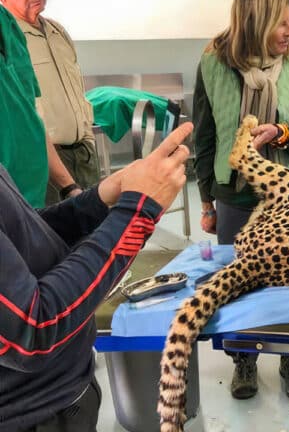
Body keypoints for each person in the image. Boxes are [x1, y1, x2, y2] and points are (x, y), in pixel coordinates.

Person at [0, 108, 193, 432]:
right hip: (35, 414)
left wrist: (99, 199)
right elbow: (31, 329)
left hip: (65, 392)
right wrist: (137, 212)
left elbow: (24, 238)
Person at [193, 0, 289, 402]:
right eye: (282, 23)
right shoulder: (213, 62)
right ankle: (243, 360)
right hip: (236, 197)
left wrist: (281, 134)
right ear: (256, 21)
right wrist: (207, 200)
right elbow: (206, 133)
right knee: (238, 284)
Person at [1, 0, 99, 205]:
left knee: (89, 234)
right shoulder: (10, 38)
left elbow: (75, 93)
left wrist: (86, 137)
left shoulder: (57, 32)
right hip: (45, 163)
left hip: (83, 155)